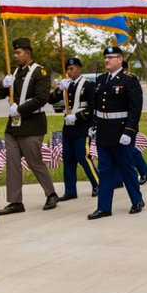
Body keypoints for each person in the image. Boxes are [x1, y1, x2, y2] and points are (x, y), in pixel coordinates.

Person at [0, 37, 58, 214]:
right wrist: (2, 85)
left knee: (34, 161)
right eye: (13, 52)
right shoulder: (12, 73)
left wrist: (20, 109)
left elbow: (42, 98)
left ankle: (51, 193)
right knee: (12, 163)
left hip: (32, 124)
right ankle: (15, 201)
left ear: (28, 53)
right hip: (13, 126)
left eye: (18, 52)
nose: (15, 55)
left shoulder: (40, 72)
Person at [88, 46, 145, 219]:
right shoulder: (101, 79)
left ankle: (137, 200)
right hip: (104, 132)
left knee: (126, 168)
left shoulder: (129, 80)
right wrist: (94, 126)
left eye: (111, 57)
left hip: (121, 133)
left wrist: (129, 131)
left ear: (120, 60)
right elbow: (98, 106)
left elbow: (135, 109)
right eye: (105, 57)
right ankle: (104, 207)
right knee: (105, 170)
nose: (107, 60)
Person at [48, 57, 99, 200]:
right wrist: (59, 89)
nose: (69, 72)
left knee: (84, 157)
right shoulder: (67, 86)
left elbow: (92, 108)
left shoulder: (88, 85)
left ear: (79, 69)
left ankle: (97, 184)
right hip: (69, 129)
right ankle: (70, 191)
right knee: (68, 160)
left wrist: (77, 116)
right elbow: (50, 100)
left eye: (72, 69)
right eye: (67, 70)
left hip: (82, 128)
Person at [123, 60, 147, 186]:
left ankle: (144, 170)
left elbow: (134, 104)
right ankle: (118, 179)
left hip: (128, 122)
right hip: (114, 124)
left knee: (131, 150)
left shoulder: (131, 80)